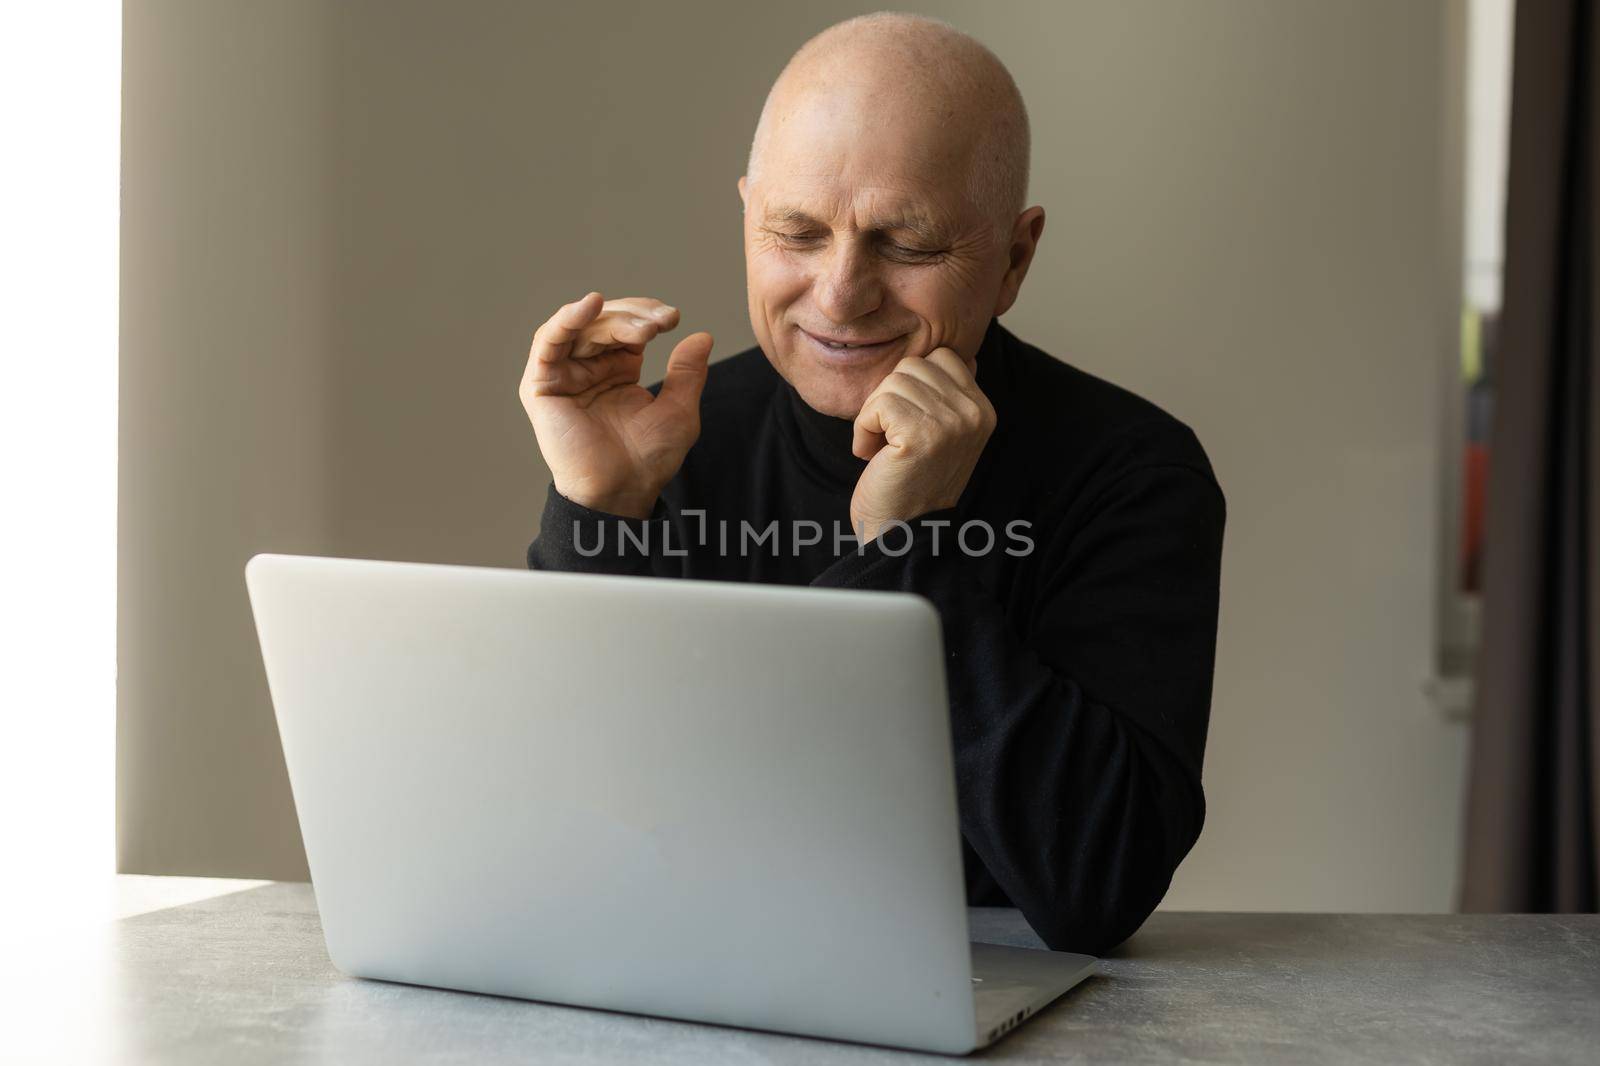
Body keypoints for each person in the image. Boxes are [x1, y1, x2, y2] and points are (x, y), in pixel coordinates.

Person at [517, 12, 1224, 955]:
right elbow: (551, 830)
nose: (841, 293)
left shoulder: (1131, 474)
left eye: (910, 245)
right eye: (796, 233)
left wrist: (910, 548)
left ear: (1015, 258)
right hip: (685, 986)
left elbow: (1096, 886)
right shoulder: (672, 444)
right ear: (746, 216)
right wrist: (596, 517)